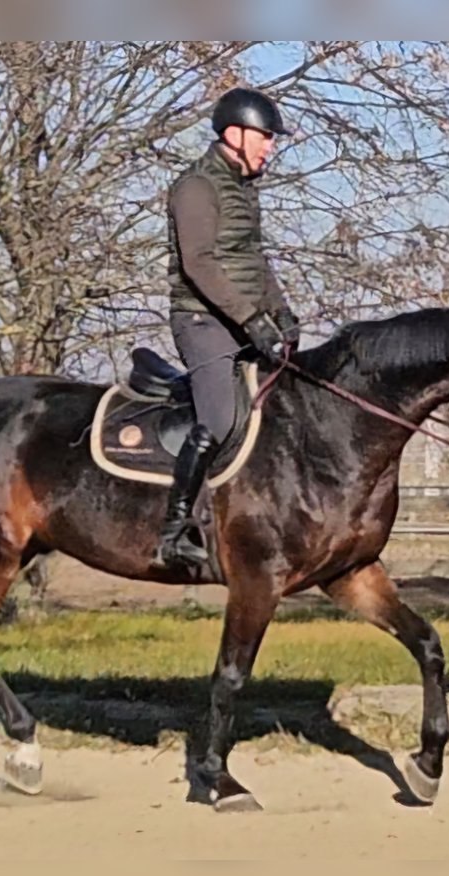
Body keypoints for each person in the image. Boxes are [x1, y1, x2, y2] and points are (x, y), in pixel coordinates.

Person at [154, 86, 301, 569]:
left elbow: (255, 263)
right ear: (235, 134)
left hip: (239, 321)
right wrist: (250, 319)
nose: (271, 146)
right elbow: (199, 264)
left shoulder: (242, 190)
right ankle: (175, 529)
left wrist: (281, 314)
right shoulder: (196, 187)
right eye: (265, 137)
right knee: (219, 420)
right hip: (202, 321)